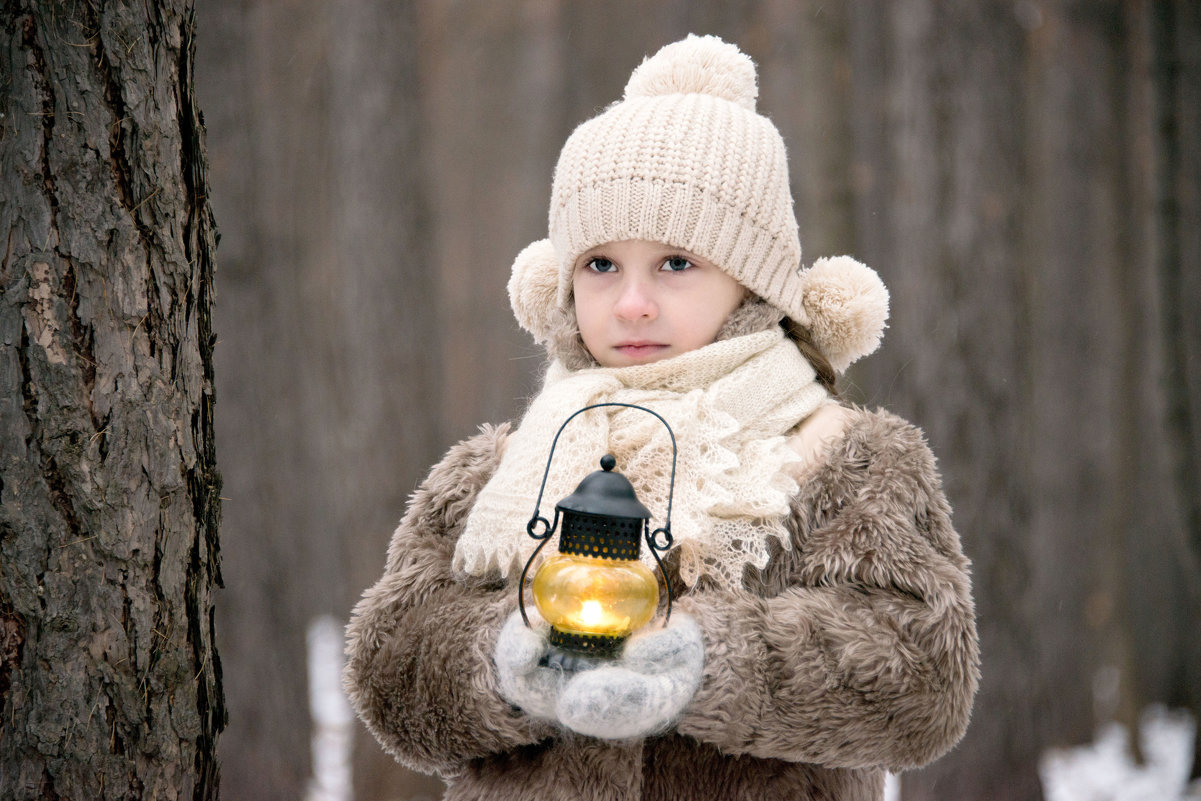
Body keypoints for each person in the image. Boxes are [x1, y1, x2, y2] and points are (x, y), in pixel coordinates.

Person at [344, 34, 979, 801]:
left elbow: (921, 678)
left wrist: (699, 661)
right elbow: (390, 672)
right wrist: (508, 662)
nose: (631, 302)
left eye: (676, 263)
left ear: (749, 281)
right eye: (599, 264)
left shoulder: (841, 454)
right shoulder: (500, 468)